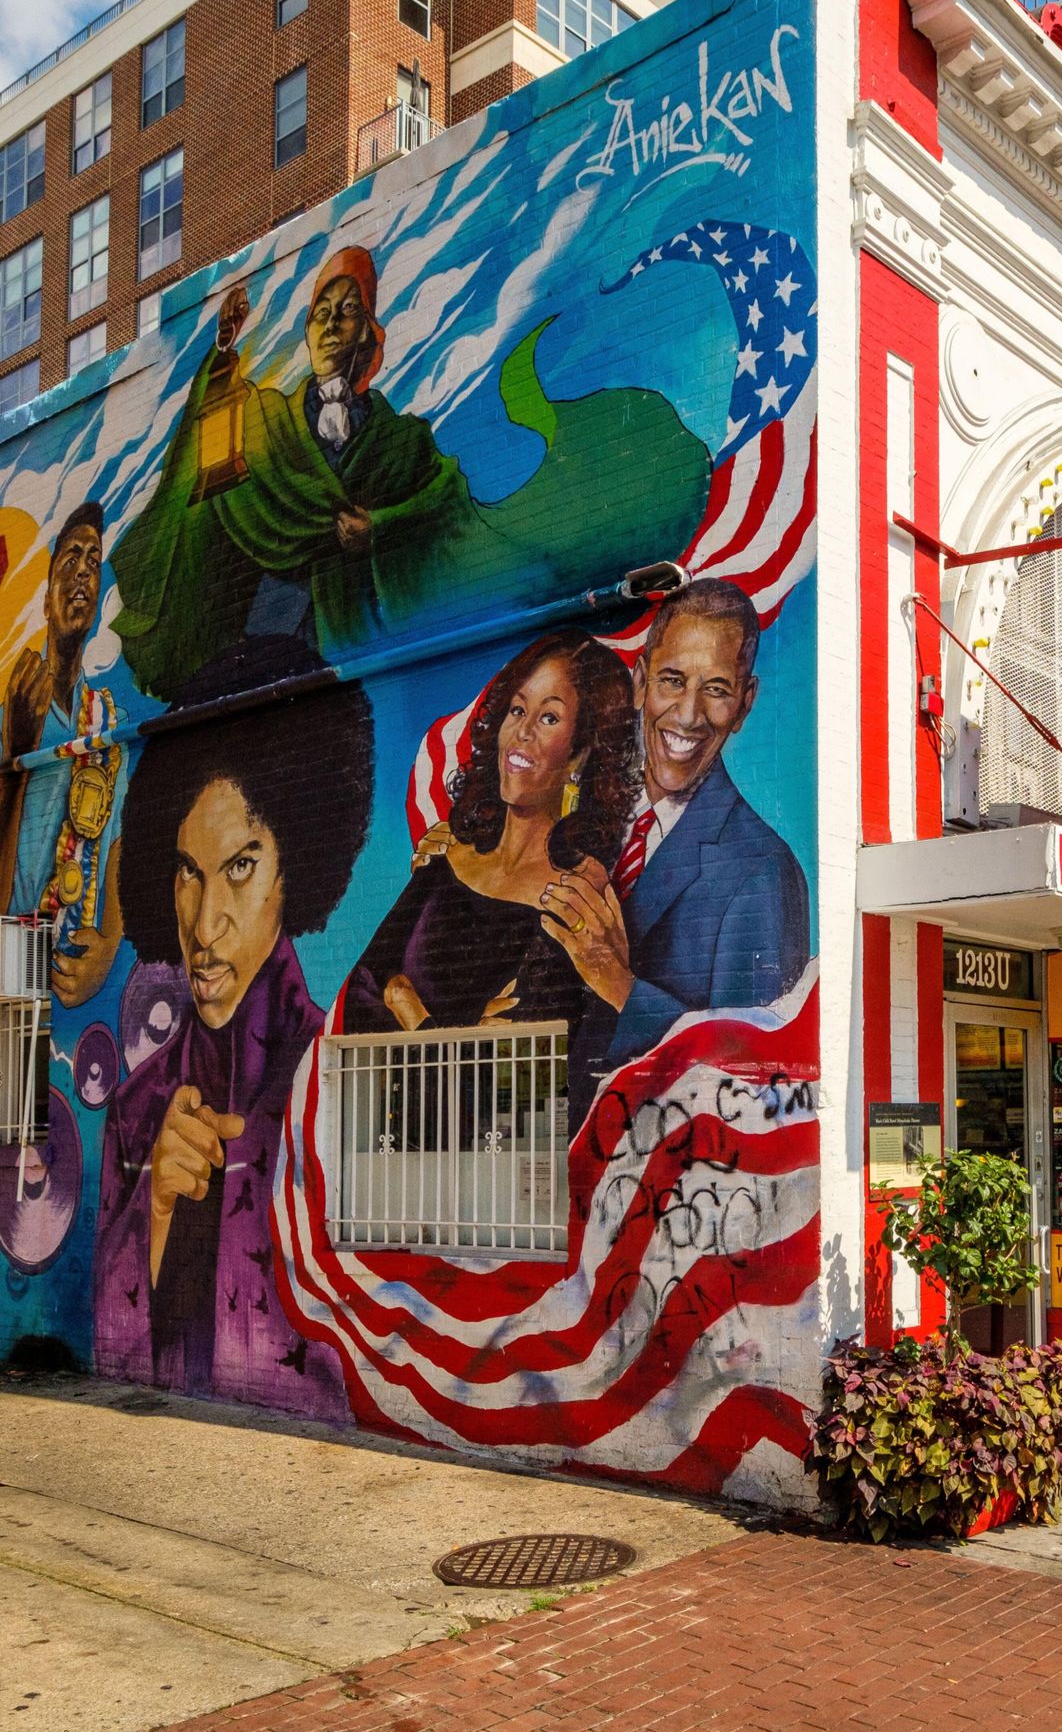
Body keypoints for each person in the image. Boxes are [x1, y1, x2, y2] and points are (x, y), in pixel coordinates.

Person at [93, 640, 373, 1409]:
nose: (205, 922)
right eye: (188, 871)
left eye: (240, 866)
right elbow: (111, 1363)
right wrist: (152, 1211)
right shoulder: (133, 1113)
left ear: (296, 867)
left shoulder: (338, 1083)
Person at [112, 254, 477, 699]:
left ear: (367, 329)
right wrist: (222, 353)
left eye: (346, 311)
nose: (330, 326)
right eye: (320, 315)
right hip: (268, 641)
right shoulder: (267, 422)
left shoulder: (401, 439)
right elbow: (210, 430)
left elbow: (448, 505)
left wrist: (379, 528)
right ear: (306, 333)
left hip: (359, 640)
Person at [545, 579, 810, 1117]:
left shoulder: (763, 872)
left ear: (744, 704)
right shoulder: (583, 815)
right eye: (672, 680)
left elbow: (748, 1077)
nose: (688, 715)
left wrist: (619, 983)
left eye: (715, 689)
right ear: (641, 682)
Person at [343, 632, 638, 1035]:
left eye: (549, 717)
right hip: (397, 1098)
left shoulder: (577, 897)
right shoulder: (448, 857)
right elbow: (365, 984)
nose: (523, 731)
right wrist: (423, 1016)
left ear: (580, 753)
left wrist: (407, 1004)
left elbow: (516, 1056)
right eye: (517, 710)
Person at [0, 501, 125, 1007]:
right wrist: (18, 758)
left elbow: (118, 837)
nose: (82, 573)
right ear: (47, 600)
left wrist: (111, 939)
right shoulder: (14, 710)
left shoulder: (105, 720)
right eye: (70, 558)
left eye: (94, 561)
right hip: (13, 943)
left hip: (68, 956)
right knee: (18, 1060)